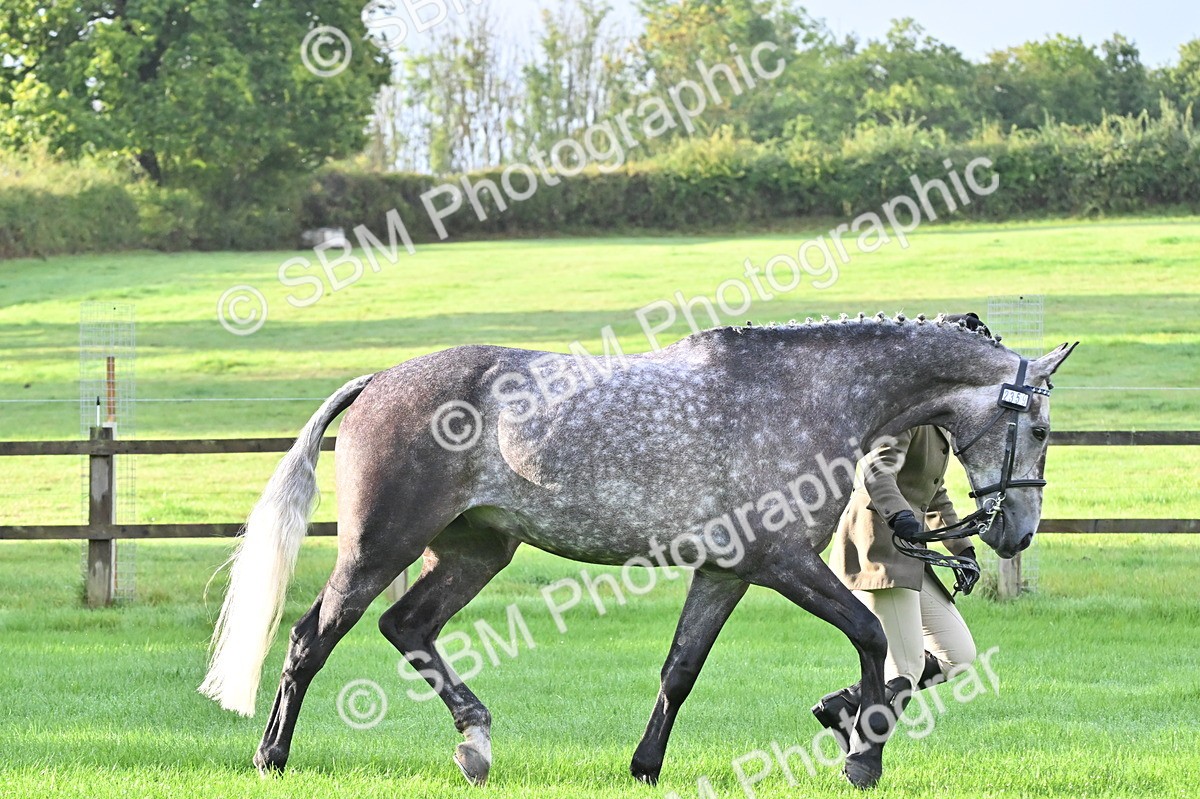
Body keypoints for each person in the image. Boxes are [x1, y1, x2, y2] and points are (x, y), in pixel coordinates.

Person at [813, 413, 981, 748]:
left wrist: (963, 550)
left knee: (958, 654)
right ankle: (863, 756)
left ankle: (844, 706)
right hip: (878, 549)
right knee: (904, 670)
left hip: (908, 553)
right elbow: (875, 472)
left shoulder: (937, 423)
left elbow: (933, 494)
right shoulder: (908, 414)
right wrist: (900, 515)